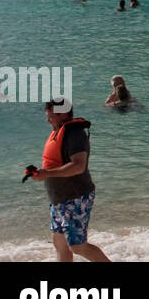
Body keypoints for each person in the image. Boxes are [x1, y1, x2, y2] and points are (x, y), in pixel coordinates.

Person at [28, 99, 110, 262]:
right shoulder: (59, 132)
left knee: (78, 246)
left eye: (51, 117)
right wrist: (42, 174)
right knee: (60, 244)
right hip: (60, 200)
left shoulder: (74, 134)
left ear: (63, 114)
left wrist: (48, 173)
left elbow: (79, 166)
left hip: (75, 197)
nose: (48, 120)